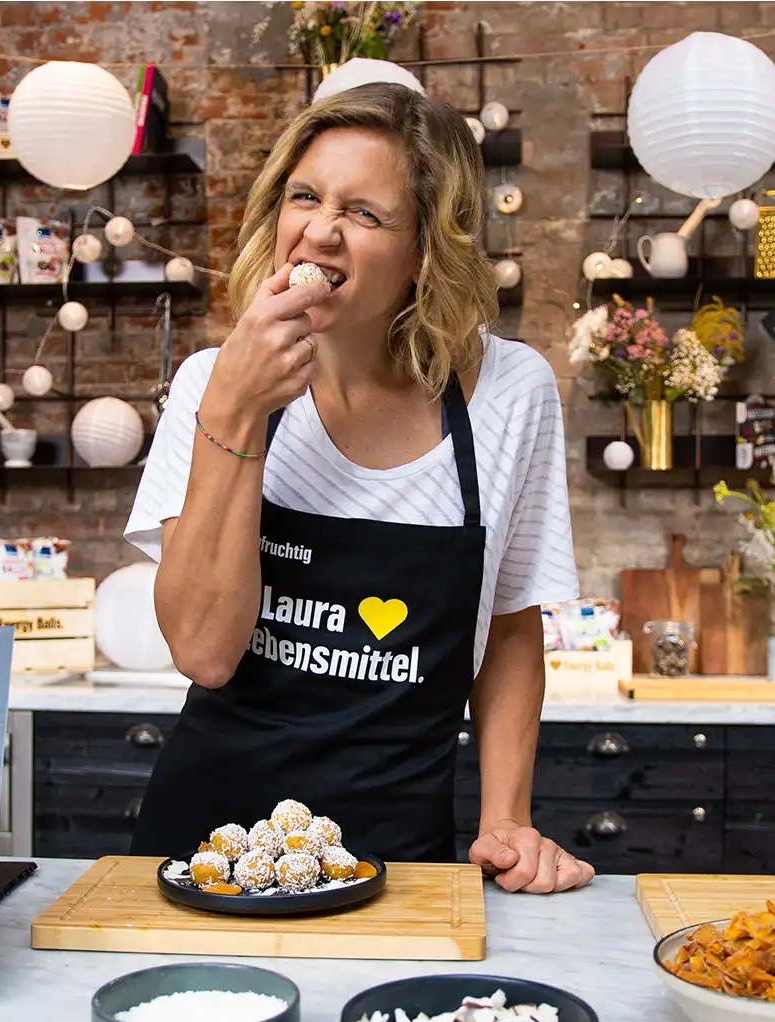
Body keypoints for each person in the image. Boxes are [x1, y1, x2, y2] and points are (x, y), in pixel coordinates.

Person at [124, 81, 594, 894]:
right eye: (305, 197)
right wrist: (234, 410)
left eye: (365, 214)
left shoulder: (511, 389)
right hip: (207, 852)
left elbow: (511, 625)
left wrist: (507, 820)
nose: (320, 231)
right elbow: (202, 650)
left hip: (400, 857)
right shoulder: (212, 381)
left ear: (425, 252)